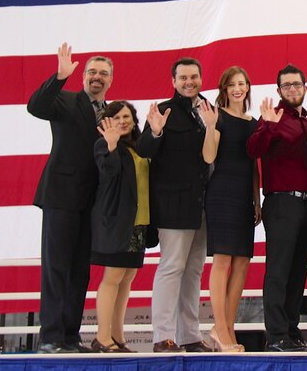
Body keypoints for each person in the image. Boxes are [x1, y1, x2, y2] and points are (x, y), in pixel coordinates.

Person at [27, 43, 113, 354]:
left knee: (80, 271)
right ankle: (50, 337)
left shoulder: (112, 113)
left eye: (103, 74)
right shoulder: (64, 100)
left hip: (91, 204)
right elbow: (35, 106)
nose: (97, 78)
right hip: (61, 198)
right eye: (92, 72)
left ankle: (70, 335)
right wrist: (59, 77)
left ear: (110, 80)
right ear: (83, 76)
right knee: (56, 269)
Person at [246, 64, 307, 352]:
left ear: (305, 88)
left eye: (297, 84)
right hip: (280, 202)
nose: (292, 89)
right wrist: (266, 124)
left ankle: (292, 334)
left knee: (297, 273)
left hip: (306, 204)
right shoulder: (272, 117)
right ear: (279, 90)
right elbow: (253, 150)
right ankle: (276, 335)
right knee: (278, 272)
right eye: (286, 85)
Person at [136, 57, 212, 353]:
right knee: (172, 267)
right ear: (174, 81)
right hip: (173, 205)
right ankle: (163, 336)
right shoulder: (163, 111)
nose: (189, 82)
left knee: (194, 271)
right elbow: (143, 150)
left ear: (201, 78)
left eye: (193, 76)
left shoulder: (209, 110)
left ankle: (190, 336)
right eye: (183, 78)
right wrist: (155, 131)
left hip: (203, 205)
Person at [200, 66, 261, 352]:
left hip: (244, 196)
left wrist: (257, 200)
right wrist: (210, 125)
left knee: (242, 262)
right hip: (221, 192)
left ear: (248, 87)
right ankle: (221, 329)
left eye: (242, 83)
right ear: (224, 89)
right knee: (222, 260)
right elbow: (209, 156)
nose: (238, 88)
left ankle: (226, 328)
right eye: (232, 84)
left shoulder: (253, 122)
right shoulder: (218, 116)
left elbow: (254, 167)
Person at [90, 101, 149, 353]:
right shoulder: (103, 145)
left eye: (128, 116)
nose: (124, 120)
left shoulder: (138, 147)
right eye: (118, 116)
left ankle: (117, 335)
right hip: (116, 222)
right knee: (112, 277)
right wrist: (112, 144)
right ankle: (102, 337)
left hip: (139, 222)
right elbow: (108, 173)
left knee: (127, 279)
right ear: (108, 121)